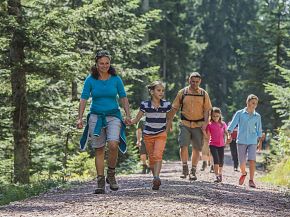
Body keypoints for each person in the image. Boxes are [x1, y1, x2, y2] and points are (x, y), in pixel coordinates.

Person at [77, 50, 131, 194]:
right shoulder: (90, 79)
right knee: (99, 149)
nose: (104, 65)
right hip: (96, 117)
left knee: (114, 144)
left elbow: (123, 97)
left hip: (113, 115)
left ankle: (111, 174)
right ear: (96, 64)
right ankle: (100, 181)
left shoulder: (115, 79)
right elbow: (83, 99)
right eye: (101, 63)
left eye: (107, 63)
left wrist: (128, 114)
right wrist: (80, 117)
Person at [168, 72, 212, 181]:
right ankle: (184, 168)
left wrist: (206, 124)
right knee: (183, 145)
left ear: (200, 81)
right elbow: (174, 108)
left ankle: (193, 171)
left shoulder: (203, 93)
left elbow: (207, 110)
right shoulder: (182, 92)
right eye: (193, 81)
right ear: (189, 80)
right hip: (185, 123)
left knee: (197, 148)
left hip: (199, 124)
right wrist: (169, 121)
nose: (195, 84)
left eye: (197, 82)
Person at [131, 81, 171, 190]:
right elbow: (137, 119)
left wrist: (166, 130)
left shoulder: (167, 104)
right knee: (152, 158)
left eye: (162, 90)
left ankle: (157, 177)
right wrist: (129, 121)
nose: (161, 92)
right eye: (159, 90)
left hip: (161, 134)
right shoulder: (145, 104)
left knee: (158, 155)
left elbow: (169, 118)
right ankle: (155, 178)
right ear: (152, 91)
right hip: (148, 135)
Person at [227, 94, 263, 188]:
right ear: (247, 102)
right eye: (253, 103)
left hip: (252, 141)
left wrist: (260, 142)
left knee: (252, 160)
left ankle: (251, 180)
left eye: (256, 103)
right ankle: (243, 173)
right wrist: (229, 134)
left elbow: (259, 130)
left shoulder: (257, 116)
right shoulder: (240, 113)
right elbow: (232, 125)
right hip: (241, 140)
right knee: (242, 162)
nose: (254, 105)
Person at [206, 107, 230, 182]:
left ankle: (220, 174)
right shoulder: (209, 124)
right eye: (214, 116)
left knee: (221, 161)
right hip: (212, 144)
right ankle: (216, 176)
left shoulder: (223, 124)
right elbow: (207, 135)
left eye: (217, 116)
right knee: (216, 160)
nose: (215, 117)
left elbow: (226, 132)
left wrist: (228, 137)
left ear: (220, 116)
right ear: (211, 116)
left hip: (221, 145)